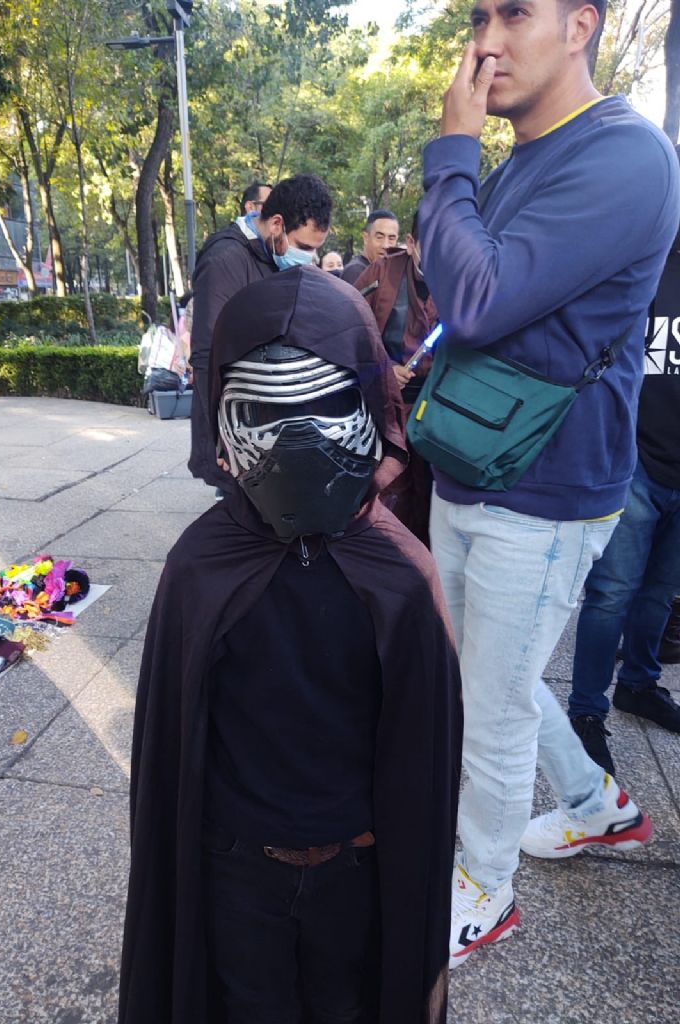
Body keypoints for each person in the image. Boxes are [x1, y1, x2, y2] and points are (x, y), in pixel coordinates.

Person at [118, 265, 462, 1024]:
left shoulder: (400, 571)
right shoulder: (201, 565)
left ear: (370, 406)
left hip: (356, 866)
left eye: (327, 403)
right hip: (237, 867)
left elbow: (420, 757)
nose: (297, 442)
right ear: (223, 421)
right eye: (265, 412)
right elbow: (177, 745)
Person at [416, 0, 679, 969]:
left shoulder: (627, 156)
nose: (485, 40)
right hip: (473, 457)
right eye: (479, 16)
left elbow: (478, 296)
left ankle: (483, 891)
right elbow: (458, 288)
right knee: (499, 674)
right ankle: (594, 803)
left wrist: (452, 154)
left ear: (580, 26)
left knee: (488, 705)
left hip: (546, 482)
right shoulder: (523, 157)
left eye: (514, 13)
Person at [569, 182, 680, 776]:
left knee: (661, 593)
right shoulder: (648, 260)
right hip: (636, 462)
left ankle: (639, 684)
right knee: (612, 593)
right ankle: (587, 710)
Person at [188, 174, 332, 491]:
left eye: (315, 250)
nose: (308, 258)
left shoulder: (275, 256)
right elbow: (207, 355)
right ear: (277, 223)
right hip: (238, 429)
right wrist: (220, 439)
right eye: (303, 247)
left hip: (273, 421)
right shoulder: (225, 260)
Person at [353, 213, 438, 544]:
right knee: (391, 495)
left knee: (434, 499)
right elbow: (347, 330)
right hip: (391, 407)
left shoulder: (464, 277)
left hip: (441, 411)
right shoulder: (382, 272)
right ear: (412, 244)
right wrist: (383, 368)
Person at [341, 209, 400, 285]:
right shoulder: (356, 272)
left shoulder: (387, 272)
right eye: (379, 237)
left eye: (391, 238)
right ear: (366, 238)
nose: (385, 245)